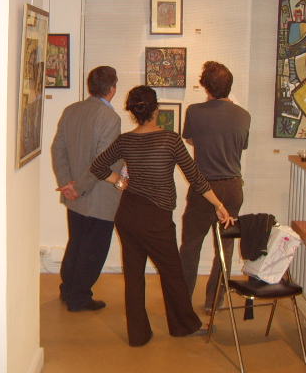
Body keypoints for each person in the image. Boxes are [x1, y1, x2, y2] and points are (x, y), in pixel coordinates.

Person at [85, 85, 233, 347]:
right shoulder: (169, 139)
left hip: (128, 215)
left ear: (134, 112)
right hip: (155, 218)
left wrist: (119, 181)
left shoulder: (126, 140)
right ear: (156, 109)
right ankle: (183, 326)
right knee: (173, 273)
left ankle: (138, 335)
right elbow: (196, 177)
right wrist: (219, 204)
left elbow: (97, 166)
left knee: (134, 276)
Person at [179, 61, 251, 314]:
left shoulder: (195, 111)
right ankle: (214, 301)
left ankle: (182, 299)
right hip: (232, 187)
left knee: (190, 245)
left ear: (206, 86)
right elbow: (241, 146)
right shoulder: (244, 115)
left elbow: (190, 139)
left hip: (203, 187)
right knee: (225, 247)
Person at [51, 66, 122, 312]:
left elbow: (57, 150)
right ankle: (79, 297)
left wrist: (67, 183)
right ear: (112, 88)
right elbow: (103, 162)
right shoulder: (110, 118)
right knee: (93, 249)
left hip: (74, 194)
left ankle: (68, 289)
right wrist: (78, 187)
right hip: (98, 196)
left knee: (77, 242)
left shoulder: (71, 110)